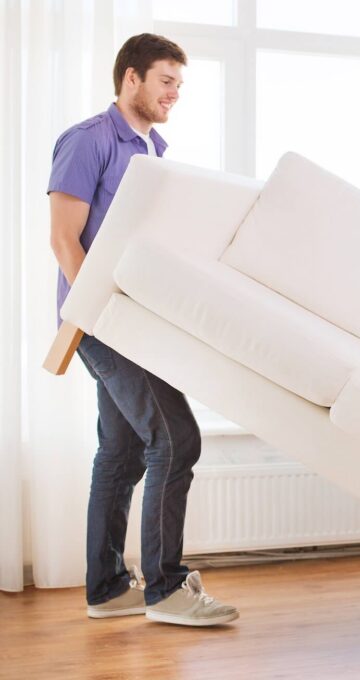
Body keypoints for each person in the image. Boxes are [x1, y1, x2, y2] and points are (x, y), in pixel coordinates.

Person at [48, 33, 238, 626]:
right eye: (166, 81)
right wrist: (98, 312)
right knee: (176, 440)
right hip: (104, 322)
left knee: (124, 450)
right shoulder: (89, 140)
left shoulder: (154, 147)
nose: (175, 93)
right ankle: (166, 588)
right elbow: (63, 237)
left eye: (179, 84)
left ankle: (106, 588)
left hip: (139, 318)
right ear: (131, 78)